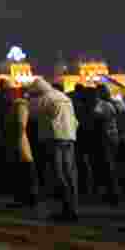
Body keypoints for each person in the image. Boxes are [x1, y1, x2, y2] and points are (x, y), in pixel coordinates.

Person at [25, 78, 79, 222]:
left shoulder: (43, 99)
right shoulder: (63, 96)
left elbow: (31, 114)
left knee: (59, 173)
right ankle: (73, 207)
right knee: (70, 173)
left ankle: (67, 209)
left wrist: (29, 100)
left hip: (54, 138)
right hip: (70, 137)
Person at [3, 89, 38, 208]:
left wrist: (17, 141)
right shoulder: (19, 105)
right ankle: (25, 197)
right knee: (22, 170)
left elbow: (20, 125)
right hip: (20, 142)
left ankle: (27, 197)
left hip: (20, 143)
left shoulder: (19, 105)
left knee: (24, 170)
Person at [91, 85, 124, 207]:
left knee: (108, 166)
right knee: (112, 165)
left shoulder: (102, 105)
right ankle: (115, 193)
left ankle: (113, 194)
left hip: (106, 137)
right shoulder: (115, 104)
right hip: (114, 136)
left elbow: (97, 117)